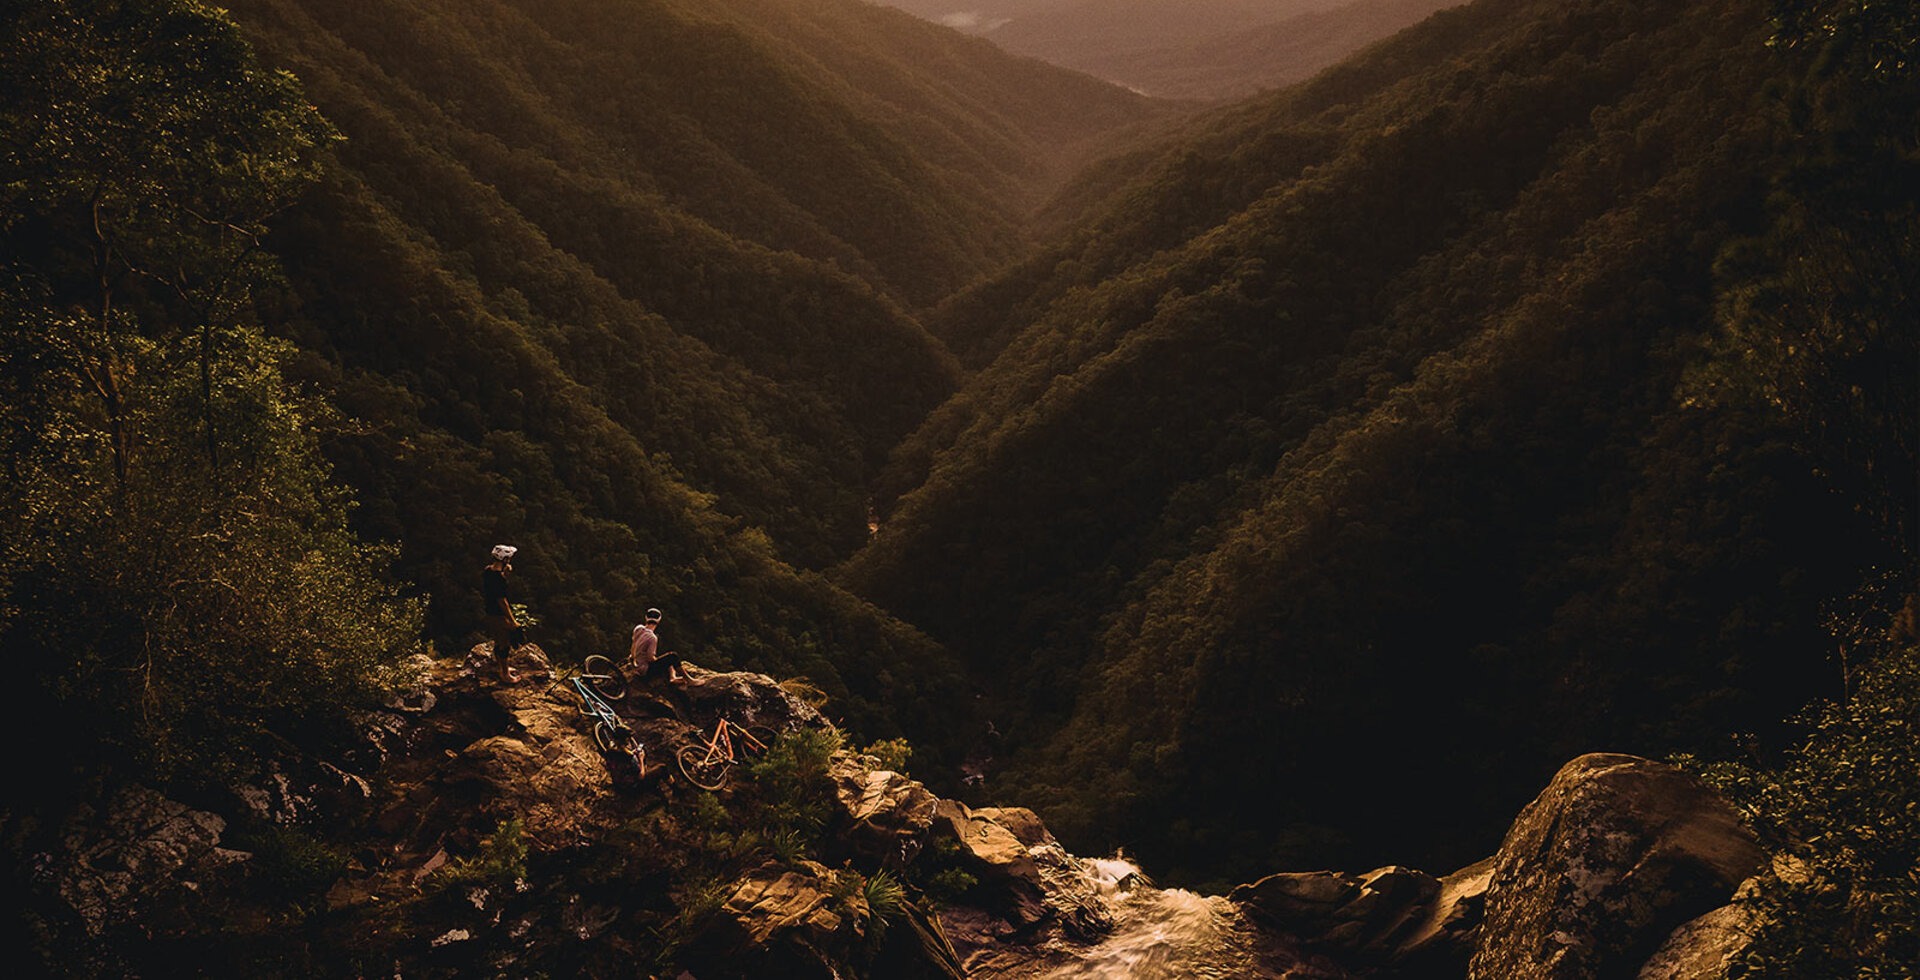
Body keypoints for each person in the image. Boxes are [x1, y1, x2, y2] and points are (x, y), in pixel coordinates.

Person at [480, 544, 521, 684]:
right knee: (504, 644)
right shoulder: (499, 579)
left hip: (489, 611)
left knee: (498, 641)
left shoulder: (488, 571)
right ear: (505, 560)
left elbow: (493, 586)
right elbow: (502, 602)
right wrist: (512, 621)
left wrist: (504, 572)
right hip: (499, 614)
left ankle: (502, 669)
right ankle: (505, 674)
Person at [627, 607, 689, 685]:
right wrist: (656, 660)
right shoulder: (652, 638)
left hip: (637, 666)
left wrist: (632, 659)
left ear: (646, 617)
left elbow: (633, 645)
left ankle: (672, 677)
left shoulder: (638, 628)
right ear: (659, 620)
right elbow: (650, 658)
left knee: (666, 660)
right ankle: (689, 680)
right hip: (645, 671)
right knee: (673, 656)